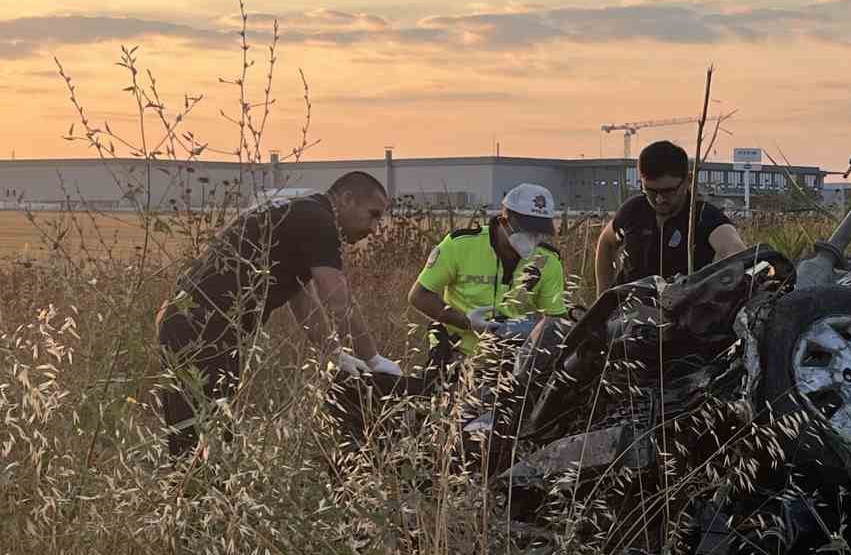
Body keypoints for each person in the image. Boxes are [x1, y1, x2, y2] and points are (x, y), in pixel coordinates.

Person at [155, 171, 397, 458]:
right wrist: (373, 359)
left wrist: (334, 354)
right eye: (372, 215)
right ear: (345, 199)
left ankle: (197, 495)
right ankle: (193, 498)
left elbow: (304, 301)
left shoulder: (300, 214)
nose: (374, 227)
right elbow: (338, 300)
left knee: (206, 435)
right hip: (203, 327)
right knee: (202, 439)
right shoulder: (319, 221)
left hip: (196, 325)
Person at [407, 183, 568, 374]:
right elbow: (419, 296)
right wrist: (466, 322)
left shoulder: (547, 260)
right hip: (457, 355)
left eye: (538, 231)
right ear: (505, 219)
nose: (532, 237)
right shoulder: (461, 245)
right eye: (527, 228)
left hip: (514, 361)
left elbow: (556, 322)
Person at [594, 140, 746, 294]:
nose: (659, 199)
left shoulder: (704, 217)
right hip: (630, 313)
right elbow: (606, 242)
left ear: (688, 180)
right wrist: (602, 300)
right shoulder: (633, 211)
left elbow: (735, 250)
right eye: (651, 191)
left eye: (668, 191)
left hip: (682, 314)